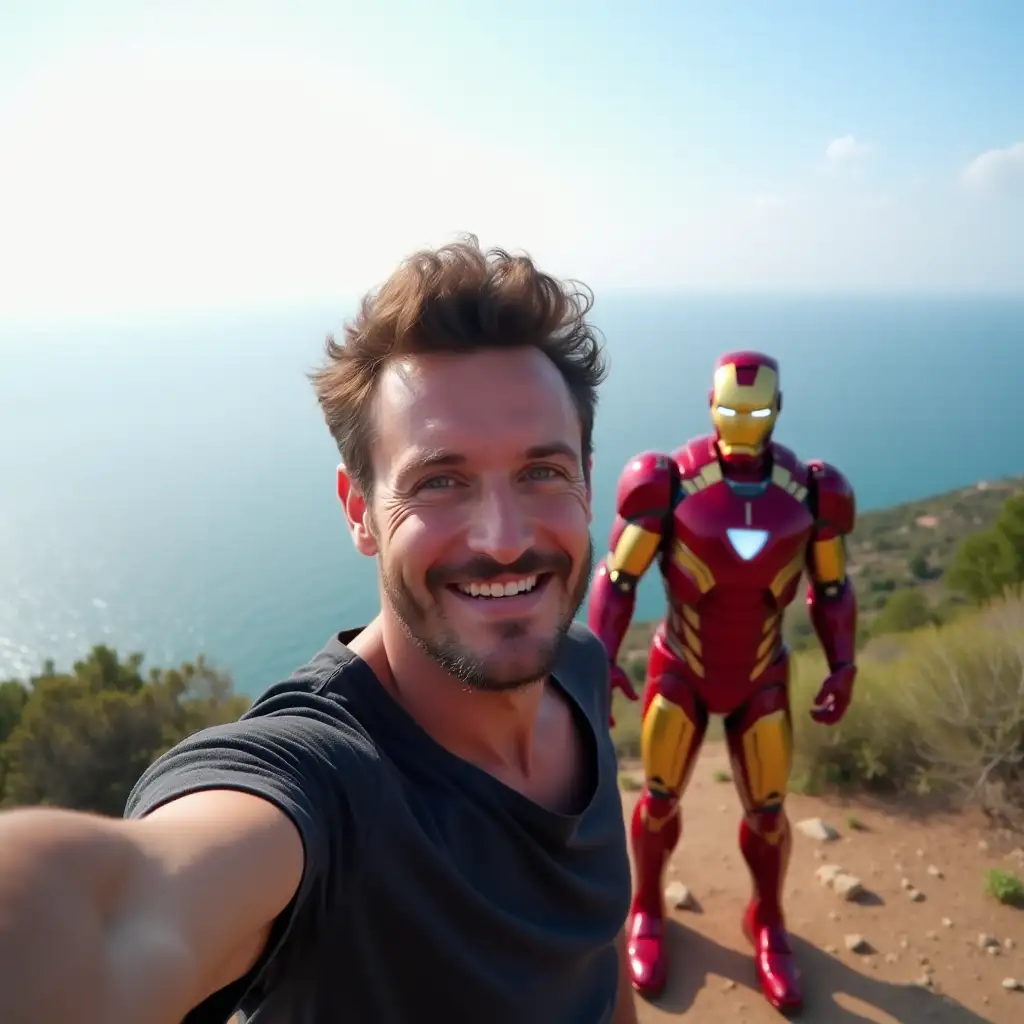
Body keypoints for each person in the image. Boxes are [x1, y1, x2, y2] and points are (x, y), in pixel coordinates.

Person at [0, 237, 639, 1024]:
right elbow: (123, 916)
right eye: (441, 481)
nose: (504, 538)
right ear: (358, 511)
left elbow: (595, 954)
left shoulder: (576, 664)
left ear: (586, 476)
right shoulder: (326, 784)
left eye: (543, 470)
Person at [587, 350, 858, 1015]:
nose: (744, 424)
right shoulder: (668, 482)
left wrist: (843, 662)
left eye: (757, 412)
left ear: (779, 410)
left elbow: (832, 586)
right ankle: (647, 909)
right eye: (733, 411)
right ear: (710, 406)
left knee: (767, 811)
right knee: (657, 798)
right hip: (680, 666)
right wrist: (600, 655)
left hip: (761, 674)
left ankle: (767, 920)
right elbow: (617, 577)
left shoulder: (812, 492)